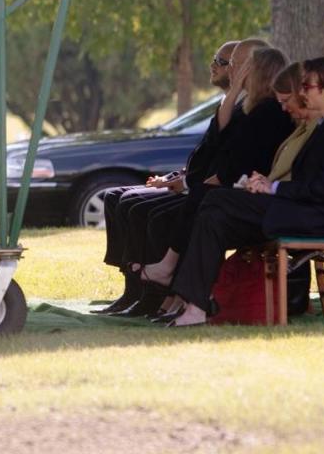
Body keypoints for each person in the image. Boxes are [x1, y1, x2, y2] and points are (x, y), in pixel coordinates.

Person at [167, 56, 324, 327]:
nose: (302, 91)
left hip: (320, 218)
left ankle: (191, 300)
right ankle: (195, 305)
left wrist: (273, 188)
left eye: (307, 86)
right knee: (214, 215)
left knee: (215, 199)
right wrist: (268, 187)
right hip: (303, 210)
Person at [136, 45, 293, 307]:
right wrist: (232, 93)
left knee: (199, 203)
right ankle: (171, 292)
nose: (237, 73)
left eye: (244, 69)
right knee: (172, 206)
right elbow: (217, 137)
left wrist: (218, 179)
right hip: (232, 184)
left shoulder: (270, 110)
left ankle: (177, 287)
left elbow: (246, 157)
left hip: (251, 192)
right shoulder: (249, 106)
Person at [95, 40, 239, 314]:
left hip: (209, 190)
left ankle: (152, 294)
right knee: (116, 196)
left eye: (221, 62)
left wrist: (186, 182)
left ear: (239, 69)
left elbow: (225, 164)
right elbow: (206, 157)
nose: (212, 65)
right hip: (195, 183)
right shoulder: (225, 102)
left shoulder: (239, 107)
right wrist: (179, 176)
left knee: (140, 208)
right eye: (214, 58)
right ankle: (132, 287)